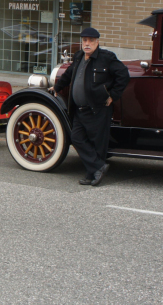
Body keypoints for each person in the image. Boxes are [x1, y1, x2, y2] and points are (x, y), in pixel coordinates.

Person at [52, 27, 130, 186]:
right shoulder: (79, 56)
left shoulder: (106, 58)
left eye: (90, 41)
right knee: (76, 138)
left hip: (98, 108)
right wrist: (57, 87)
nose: (87, 44)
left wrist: (113, 96)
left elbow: (123, 75)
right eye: (84, 41)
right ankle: (98, 167)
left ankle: (91, 174)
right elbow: (69, 74)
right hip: (79, 109)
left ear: (97, 42)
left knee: (97, 144)